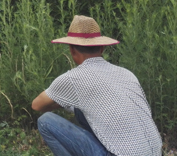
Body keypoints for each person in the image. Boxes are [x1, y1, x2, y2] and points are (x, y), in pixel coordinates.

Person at [32, 15, 162, 156]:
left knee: (46, 121)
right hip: (155, 152)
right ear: (102, 48)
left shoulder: (74, 78)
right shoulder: (127, 73)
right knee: (80, 110)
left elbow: (37, 105)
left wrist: (60, 102)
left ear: (72, 50)